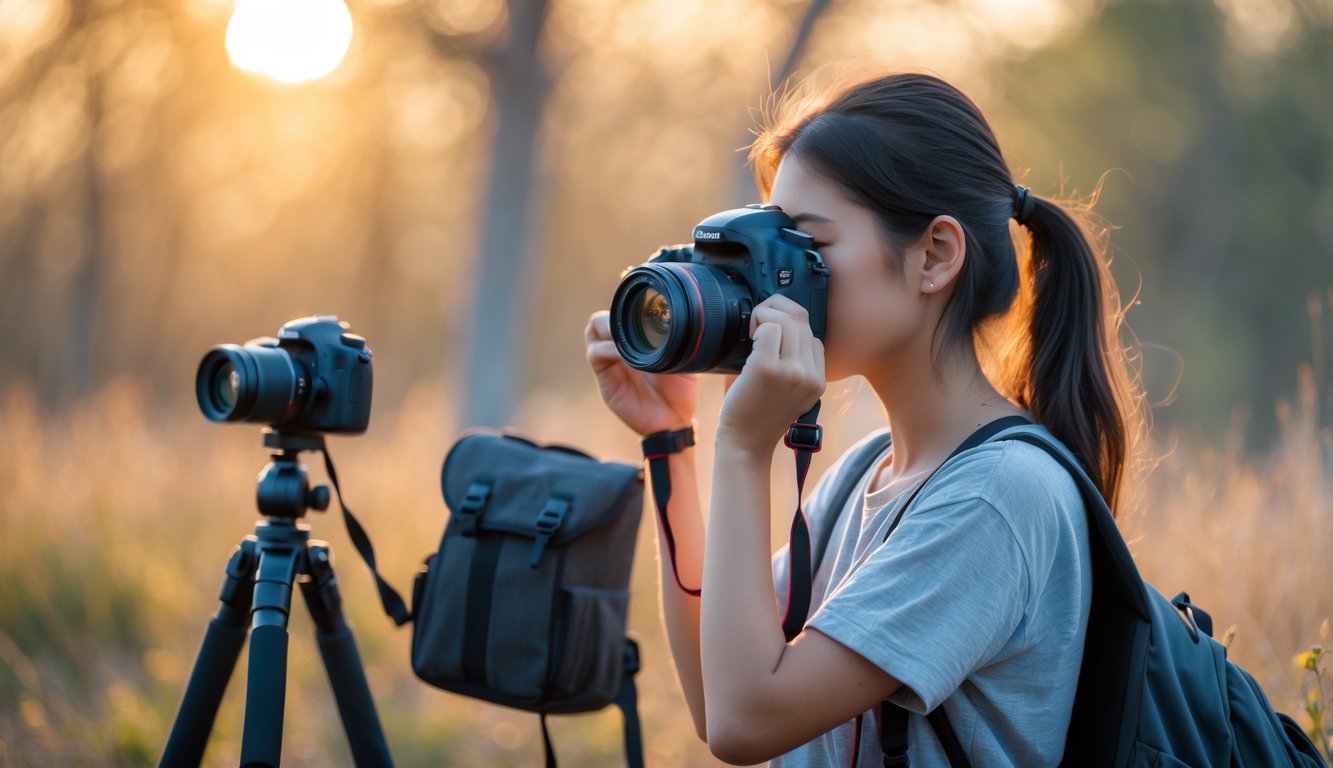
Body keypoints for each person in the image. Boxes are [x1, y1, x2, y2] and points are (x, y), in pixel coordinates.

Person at [584, 72, 1144, 767]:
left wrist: (744, 449)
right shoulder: (865, 472)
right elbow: (713, 692)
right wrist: (669, 439)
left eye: (805, 247)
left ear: (934, 256)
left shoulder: (997, 497)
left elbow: (743, 724)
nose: (770, 281)